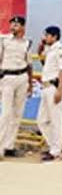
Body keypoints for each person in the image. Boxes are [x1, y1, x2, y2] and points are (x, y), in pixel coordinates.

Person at [0, 16, 33, 159]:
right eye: (12, 24)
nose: (13, 27)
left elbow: (29, 64)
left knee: (17, 113)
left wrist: (30, 84)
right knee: (6, 113)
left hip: (22, 77)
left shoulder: (27, 43)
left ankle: (9, 146)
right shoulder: (3, 41)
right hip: (7, 77)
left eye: (16, 25)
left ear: (22, 27)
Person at [37, 26, 62, 162]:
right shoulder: (50, 50)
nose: (45, 38)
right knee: (42, 120)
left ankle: (56, 151)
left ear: (54, 37)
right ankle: (54, 147)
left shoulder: (60, 50)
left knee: (56, 121)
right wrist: (40, 50)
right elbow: (45, 64)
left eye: (47, 35)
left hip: (54, 87)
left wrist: (60, 90)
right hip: (45, 87)